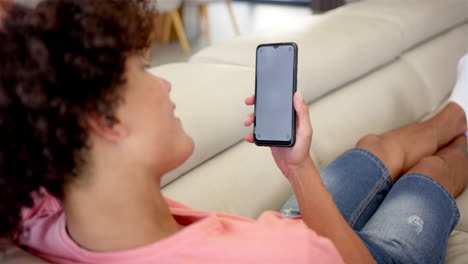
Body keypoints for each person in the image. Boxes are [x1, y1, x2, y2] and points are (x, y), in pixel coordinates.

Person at [0, 0, 466, 263]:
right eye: (141, 72)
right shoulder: (282, 255)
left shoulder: (41, 215)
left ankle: (455, 111)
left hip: (295, 223)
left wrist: (297, 166)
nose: (164, 80)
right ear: (105, 121)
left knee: (371, 146)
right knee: (428, 175)